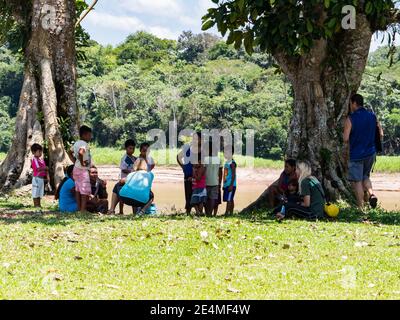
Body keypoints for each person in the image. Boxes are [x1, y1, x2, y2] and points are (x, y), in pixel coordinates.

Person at [343, 93, 383, 209]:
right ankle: (371, 194)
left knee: (357, 181)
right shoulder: (372, 116)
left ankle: (360, 208)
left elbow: (345, 139)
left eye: (350, 104)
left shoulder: (351, 118)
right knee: (365, 176)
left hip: (356, 154)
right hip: (371, 153)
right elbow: (380, 133)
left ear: (354, 103)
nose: (350, 106)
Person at [177, 132, 202, 215]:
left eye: (197, 138)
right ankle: (188, 212)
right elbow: (179, 156)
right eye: (193, 138)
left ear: (201, 140)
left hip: (198, 175)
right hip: (188, 174)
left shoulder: (202, 150)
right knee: (188, 193)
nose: (194, 140)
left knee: (196, 193)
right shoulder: (188, 147)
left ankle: (199, 211)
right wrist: (183, 166)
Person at [69, 125, 93, 212]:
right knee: (84, 189)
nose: (90, 137)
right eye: (89, 135)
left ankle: (79, 208)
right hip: (82, 170)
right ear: (84, 135)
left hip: (76, 168)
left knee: (78, 189)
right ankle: (83, 209)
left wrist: (74, 161)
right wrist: (82, 162)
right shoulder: (84, 144)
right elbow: (81, 152)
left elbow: (69, 151)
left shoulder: (76, 143)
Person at [119, 139, 137, 214]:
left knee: (133, 196)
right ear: (126, 148)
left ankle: (134, 212)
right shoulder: (125, 158)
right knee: (122, 196)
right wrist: (132, 172)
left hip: (132, 180)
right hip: (125, 179)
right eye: (130, 148)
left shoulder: (134, 158)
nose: (132, 150)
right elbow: (123, 169)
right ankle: (121, 211)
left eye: (133, 148)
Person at [204, 141, 222, 216]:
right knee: (212, 198)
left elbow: (204, 171)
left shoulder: (205, 159)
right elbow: (220, 172)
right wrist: (220, 183)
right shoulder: (218, 160)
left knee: (205, 198)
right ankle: (210, 213)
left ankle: (207, 212)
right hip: (215, 182)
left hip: (206, 182)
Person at [31, 143, 49, 208]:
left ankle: (39, 204)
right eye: (39, 151)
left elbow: (45, 169)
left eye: (41, 151)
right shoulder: (34, 159)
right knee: (35, 192)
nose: (40, 153)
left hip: (41, 178)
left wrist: (47, 176)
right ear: (33, 152)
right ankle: (36, 205)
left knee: (39, 192)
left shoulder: (41, 160)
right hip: (36, 178)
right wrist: (45, 168)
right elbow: (37, 169)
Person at [223, 145, 237, 216]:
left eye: (226, 152)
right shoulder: (226, 163)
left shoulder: (232, 163)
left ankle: (227, 212)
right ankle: (231, 212)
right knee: (230, 198)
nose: (225, 154)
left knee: (229, 199)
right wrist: (224, 185)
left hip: (231, 184)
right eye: (224, 152)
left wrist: (231, 185)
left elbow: (233, 175)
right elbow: (225, 175)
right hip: (227, 184)